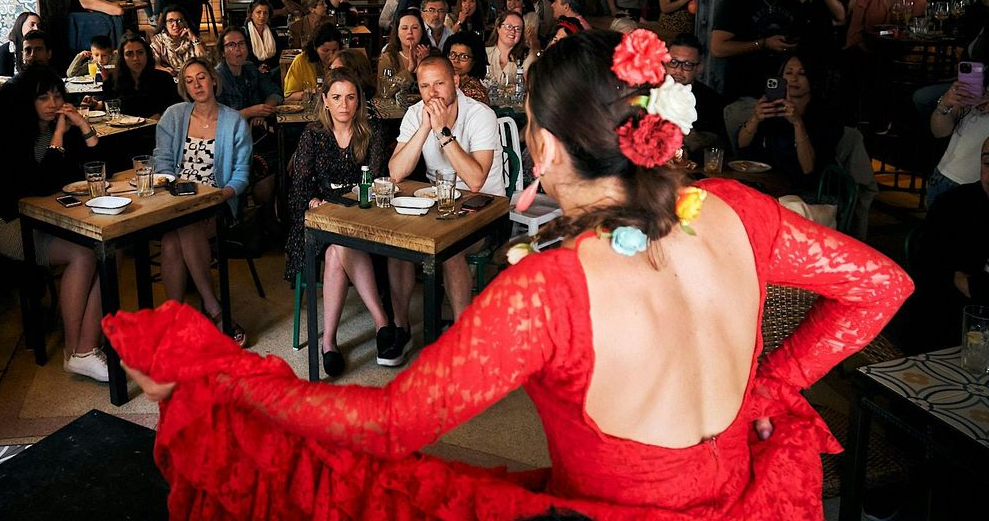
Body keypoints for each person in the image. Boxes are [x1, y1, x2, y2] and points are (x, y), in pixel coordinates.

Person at [108, 29, 912, 521]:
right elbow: (883, 286)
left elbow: (392, 426)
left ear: (550, 148)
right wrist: (771, 386)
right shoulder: (735, 210)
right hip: (750, 503)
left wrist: (226, 381)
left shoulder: (549, 294)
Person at [0, 65, 108, 382]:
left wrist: (82, 125)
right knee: (83, 255)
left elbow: (99, 168)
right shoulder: (13, 137)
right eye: (44, 96)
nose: (53, 102)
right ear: (28, 100)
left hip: (49, 217)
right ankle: (74, 352)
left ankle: (86, 347)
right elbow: (40, 184)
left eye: (57, 94)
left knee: (109, 248)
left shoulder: (60, 128)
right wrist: (58, 135)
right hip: (11, 223)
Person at [285, 68, 393, 377]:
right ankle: (381, 323)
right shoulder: (313, 134)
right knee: (335, 243)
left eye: (350, 97)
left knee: (337, 250)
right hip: (317, 223)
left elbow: (372, 181)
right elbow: (301, 186)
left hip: (361, 220)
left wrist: (344, 204)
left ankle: (329, 341)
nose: (344, 105)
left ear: (358, 101)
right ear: (325, 100)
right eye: (336, 98)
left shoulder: (371, 130)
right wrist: (313, 202)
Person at [388, 53, 504, 328]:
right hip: (437, 207)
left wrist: (442, 132)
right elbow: (396, 172)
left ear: (455, 80)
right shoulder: (416, 113)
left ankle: (462, 336)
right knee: (398, 245)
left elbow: (476, 180)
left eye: (439, 84)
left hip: (485, 209)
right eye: (424, 86)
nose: (432, 93)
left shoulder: (480, 115)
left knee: (451, 250)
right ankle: (400, 327)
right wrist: (425, 127)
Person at [152, 58, 253, 347]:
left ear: (214, 80)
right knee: (175, 236)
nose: (196, 85)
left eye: (201, 77)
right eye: (189, 80)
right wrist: (172, 187)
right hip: (175, 198)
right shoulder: (174, 115)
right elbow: (162, 162)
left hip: (216, 201)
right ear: (184, 86)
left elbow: (241, 175)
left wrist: (218, 197)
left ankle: (202, 312)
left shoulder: (233, 121)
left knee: (181, 232)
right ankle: (202, 313)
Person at [907, 135, 989, 351]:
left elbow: (967, 284)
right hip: (948, 321)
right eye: (988, 162)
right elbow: (930, 265)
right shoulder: (954, 204)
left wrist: (973, 284)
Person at [709, 0, 807, 100]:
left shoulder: (793, 4)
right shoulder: (738, 3)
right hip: (745, 89)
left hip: (782, 91)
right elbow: (717, 48)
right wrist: (763, 43)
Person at [733, 54, 843, 193]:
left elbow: (808, 168)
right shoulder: (773, 107)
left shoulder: (826, 115)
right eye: (789, 73)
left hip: (807, 192)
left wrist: (798, 123)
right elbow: (741, 145)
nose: (793, 79)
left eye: (802, 73)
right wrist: (755, 118)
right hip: (768, 184)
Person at [215, 26, 281, 205]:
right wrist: (250, 112)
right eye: (231, 45)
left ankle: (270, 212)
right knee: (265, 162)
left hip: (257, 134)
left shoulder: (250, 69)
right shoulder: (217, 77)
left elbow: (275, 93)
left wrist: (264, 110)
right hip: (231, 141)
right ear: (222, 51)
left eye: (241, 44)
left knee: (285, 152)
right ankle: (260, 214)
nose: (238, 49)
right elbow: (216, 119)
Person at [927, 64, 989, 207]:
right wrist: (945, 104)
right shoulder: (982, 79)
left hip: (979, 189)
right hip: (944, 177)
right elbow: (939, 132)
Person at [83, 33, 180, 119]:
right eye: (129, 54)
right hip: (123, 131)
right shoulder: (112, 80)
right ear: (122, 57)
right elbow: (109, 105)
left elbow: (175, 108)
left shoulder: (163, 79)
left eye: (140, 52)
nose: (135, 58)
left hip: (156, 129)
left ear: (147, 54)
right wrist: (94, 104)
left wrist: (161, 116)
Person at [665, 33, 726, 155]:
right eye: (673, 62)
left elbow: (719, 142)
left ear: (699, 67)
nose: (678, 70)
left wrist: (697, 138)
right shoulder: (649, 93)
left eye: (687, 65)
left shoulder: (712, 100)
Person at [377, 8, 433, 95]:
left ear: (422, 31)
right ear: (397, 33)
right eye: (404, 28)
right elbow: (384, 91)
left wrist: (426, 65)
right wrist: (409, 70)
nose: (410, 32)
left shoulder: (434, 55)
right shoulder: (388, 57)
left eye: (414, 28)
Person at [284, 24, 344, 102]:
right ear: (315, 47)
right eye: (325, 51)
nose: (331, 55)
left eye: (335, 50)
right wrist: (312, 92)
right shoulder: (301, 61)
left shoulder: (344, 60)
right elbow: (289, 97)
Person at [150, 4, 206, 75]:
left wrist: (194, 40)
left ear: (185, 22)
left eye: (179, 21)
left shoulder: (194, 37)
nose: (175, 25)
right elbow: (153, 63)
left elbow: (205, 61)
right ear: (165, 24)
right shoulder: (158, 40)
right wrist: (163, 69)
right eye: (171, 21)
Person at [485, 10, 536, 87]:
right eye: (508, 26)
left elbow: (530, 86)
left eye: (518, 29)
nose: (513, 31)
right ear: (498, 28)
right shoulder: (484, 53)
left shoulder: (527, 56)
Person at [443, 31, 490, 104]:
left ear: (475, 60)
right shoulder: (448, 82)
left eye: (464, 57)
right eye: (452, 54)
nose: (456, 60)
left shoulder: (474, 93)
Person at [0, 11, 43, 76]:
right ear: (20, 26)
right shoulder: (5, 51)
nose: (36, 29)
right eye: (32, 25)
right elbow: (2, 80)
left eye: (38, 26)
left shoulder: (43, 48)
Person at [245, 0, 280, 73]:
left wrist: (267, 66)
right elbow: (246, 57)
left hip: (270, 70)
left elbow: (278, 54)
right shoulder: (244, 33)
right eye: (258, 12)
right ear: (251, 15)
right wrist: (258, 67)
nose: (262, 16)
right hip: (251, 71)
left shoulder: (272, 32)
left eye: (265, 13)